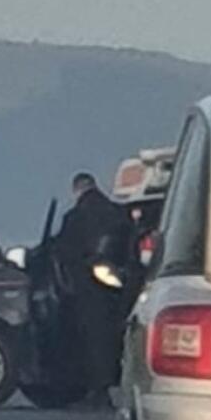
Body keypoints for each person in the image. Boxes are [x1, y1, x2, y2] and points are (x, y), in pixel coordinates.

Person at [54, 172, 132, 406]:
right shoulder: (117, 213)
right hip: (118, 288)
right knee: (110, 337)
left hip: (85, 288)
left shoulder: (74, 217)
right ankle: (108, 384)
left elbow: (63, 251)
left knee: (89, 338)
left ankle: (96, 389)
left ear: (76, 189)